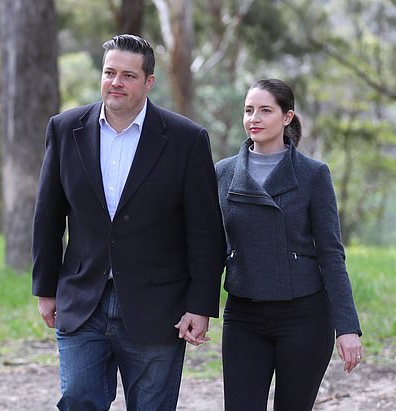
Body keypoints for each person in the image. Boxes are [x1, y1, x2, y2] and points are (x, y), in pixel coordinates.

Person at [31, 34, 225, 411]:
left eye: (128, 75)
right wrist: (45, 288)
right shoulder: (64, 129)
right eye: (109, 72)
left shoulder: (187, 139)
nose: (116, 82)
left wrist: (200, 305)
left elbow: (204, 232)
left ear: (149, 82)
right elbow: (48, 215)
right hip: (82, 298)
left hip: (158, 307)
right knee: (76, 400)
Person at [215, 78, 363, 411]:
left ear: (287, 117)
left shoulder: (313, 174)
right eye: (249, 110)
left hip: (305, 316)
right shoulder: (223, 174)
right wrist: (197, 307)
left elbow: (331, 254)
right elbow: (211, 249)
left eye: (265, 110)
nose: (254, 118)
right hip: (244, 316)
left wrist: (347, 327)